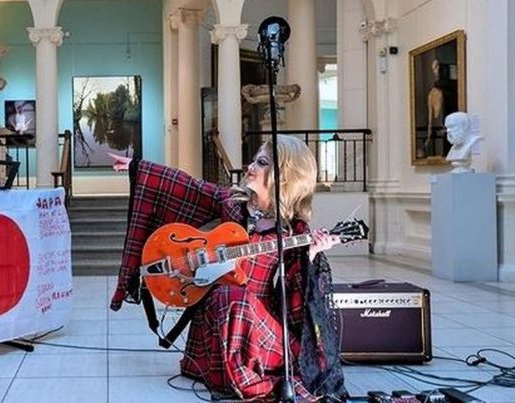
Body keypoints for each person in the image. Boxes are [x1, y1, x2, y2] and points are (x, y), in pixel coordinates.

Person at [109, 136, 347, 401]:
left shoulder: (292, 231)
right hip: (218, 314)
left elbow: (294, 301)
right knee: (228, 294)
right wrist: (138, 168)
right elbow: (186, 187)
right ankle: (240, 378)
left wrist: (310, 254)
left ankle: (252, 380)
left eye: (262, 162)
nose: (250, 166)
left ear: (285, 176)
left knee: (239, 299)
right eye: (255, 159)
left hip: (258, 324)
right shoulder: (231, 204)